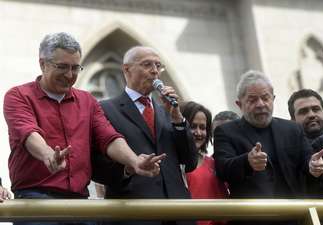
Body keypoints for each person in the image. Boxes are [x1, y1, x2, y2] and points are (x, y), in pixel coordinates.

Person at [3, 33, 164, 209]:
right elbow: (28, 132)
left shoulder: (88, 101)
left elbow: (108, 137)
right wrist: (48, 155)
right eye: (62, 67)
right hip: (35, 199)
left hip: (80, 201)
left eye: (75, 68)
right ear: (43, 64)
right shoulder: (18, 95)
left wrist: (134, 161)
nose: (69, 75)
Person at [91, 46, 198, 225]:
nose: (155, 71)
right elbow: (96, 165)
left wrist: (178, 120)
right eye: (147, 64)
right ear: (126, 69)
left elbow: (190, 161)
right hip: (132, 212)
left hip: (177, 212)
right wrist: (128, 168)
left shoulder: (167, 112)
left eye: (158, 65)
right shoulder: (105, 109)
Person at [213, 70, 323, 225]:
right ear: (239, 104)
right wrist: (247, 161)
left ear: (273, 99)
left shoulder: (292, 129)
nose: (260, 104)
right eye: (252, 100)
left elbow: (306, 160)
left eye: (265, 98)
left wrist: (313, 166)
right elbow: (222, 169)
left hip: (293, 216)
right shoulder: (226, 131)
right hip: (252, 219)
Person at [180, 101, 228, 225]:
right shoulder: (169, 164)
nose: (198, 133)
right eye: (193, 126)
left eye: (202, 127)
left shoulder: (214, 164)